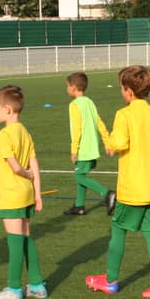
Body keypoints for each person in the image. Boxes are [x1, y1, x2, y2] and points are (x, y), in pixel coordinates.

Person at [86, 65, 150, 299]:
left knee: (117, 229)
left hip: (132, 188)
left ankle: (111, 280)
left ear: (128, 91)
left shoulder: (124, 114)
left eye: (121, 88)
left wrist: (110, 142)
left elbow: (118, 143)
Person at [0, 85, 47, 299]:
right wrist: (38, 194)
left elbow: (16, 167)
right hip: (26, 194)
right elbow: (35, 164)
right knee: (26, 238)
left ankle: (14, 289)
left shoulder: (3, 135)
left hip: (12, 194)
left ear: (8, 110)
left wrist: (27, 175)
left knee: (14, 242)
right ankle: (37, 285)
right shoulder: (24, 131)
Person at [63, 72, 116, 216]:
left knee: (79, 177)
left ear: (74, 88)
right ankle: (79, 206)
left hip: (83, 148)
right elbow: (100, 122)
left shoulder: (74, 105)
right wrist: (107, 142)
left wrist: (74, 149)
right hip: (92, 146)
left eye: (67, 86)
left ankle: (107, 194)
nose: (66, 89)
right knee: (81, 174)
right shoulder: (89, 102)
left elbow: (77, 128)